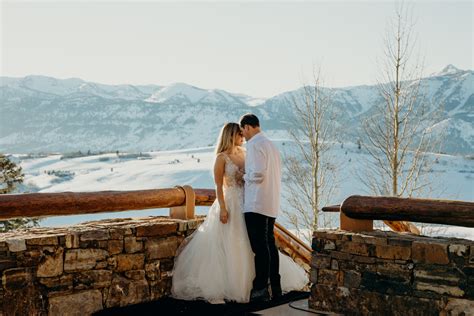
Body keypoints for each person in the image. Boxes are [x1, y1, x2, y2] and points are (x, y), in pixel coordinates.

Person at [171, 122, 307, 304]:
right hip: (230, 202)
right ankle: (235, 284)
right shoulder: (221, 158)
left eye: (243, 135)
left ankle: (261, 283)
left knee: (254, 243)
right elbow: (218, 186)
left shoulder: (245, 153)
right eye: (239, 135)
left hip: (249, 202)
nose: (242, 138)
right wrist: (223, 208)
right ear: (231, 135)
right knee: (232, 241)